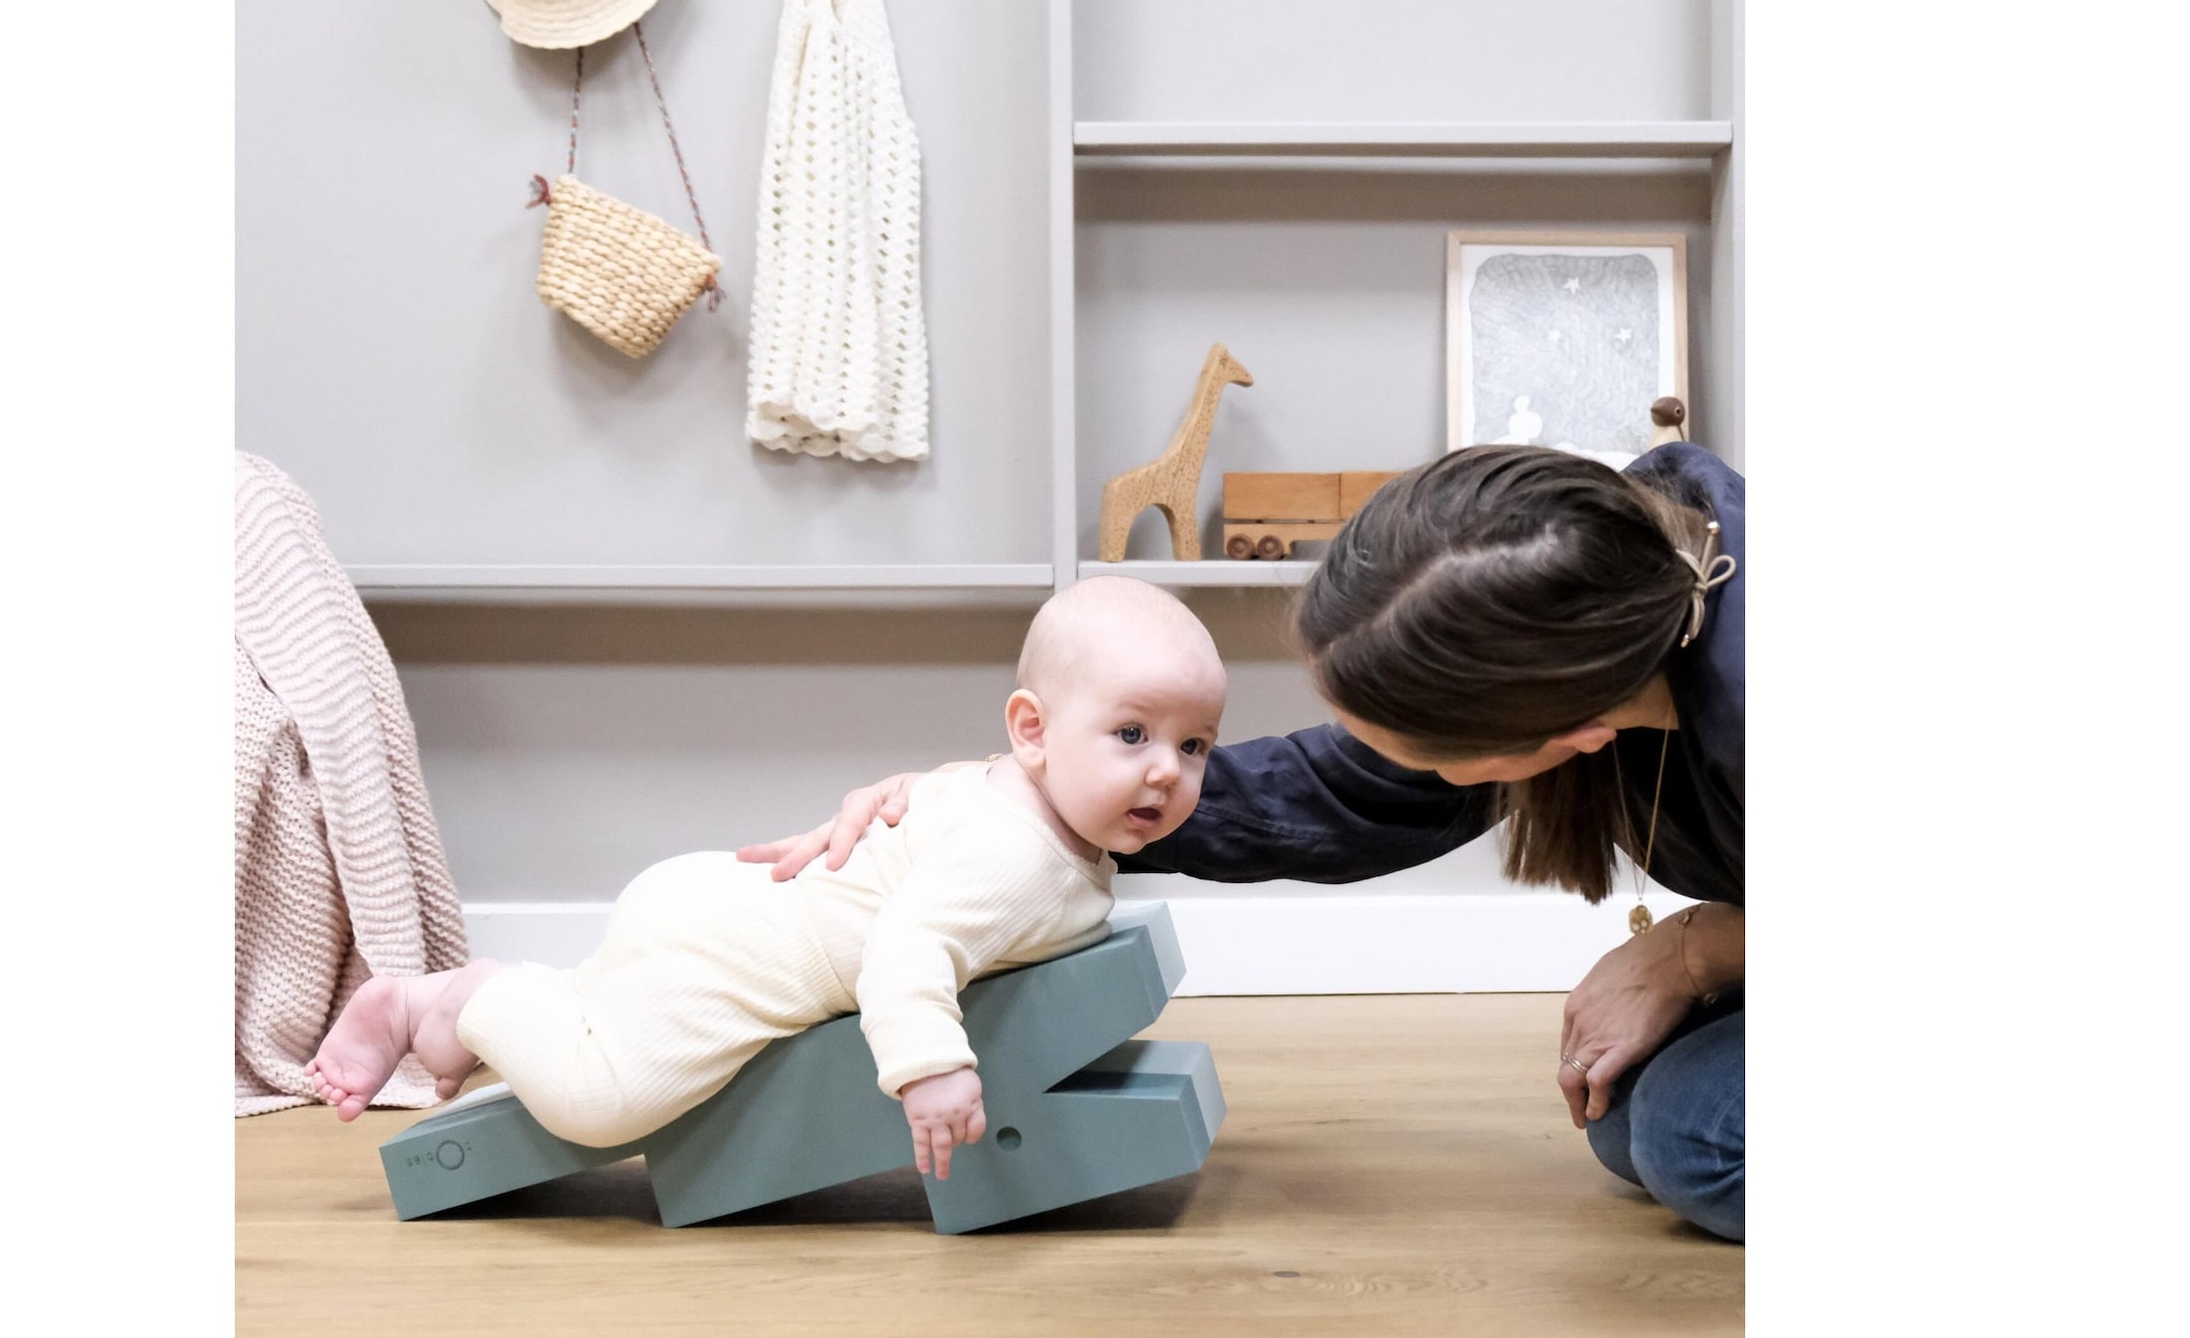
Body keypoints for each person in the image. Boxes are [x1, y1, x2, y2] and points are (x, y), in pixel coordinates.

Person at [742, 441, 1744, 1240]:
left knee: (1691, 1135)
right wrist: (1003, 803)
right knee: (1629, 1123)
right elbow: (1325, 793)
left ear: (1573, 738)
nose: (1397, 767)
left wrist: (1695, 948)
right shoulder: (1610, 582)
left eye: (1431, 759)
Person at [306, 576, 1228, 1181]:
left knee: (606, 1016)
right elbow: (906, 950)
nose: (1165, 772)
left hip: (720, 904)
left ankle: (530, 1001)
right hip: (740, 959)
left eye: (1193, 746)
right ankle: (457, 1001)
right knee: (603, 1102)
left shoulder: (997, 789)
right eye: (1133, 735)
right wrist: (932, 1068)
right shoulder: (1019, 857)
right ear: (1033, 730)